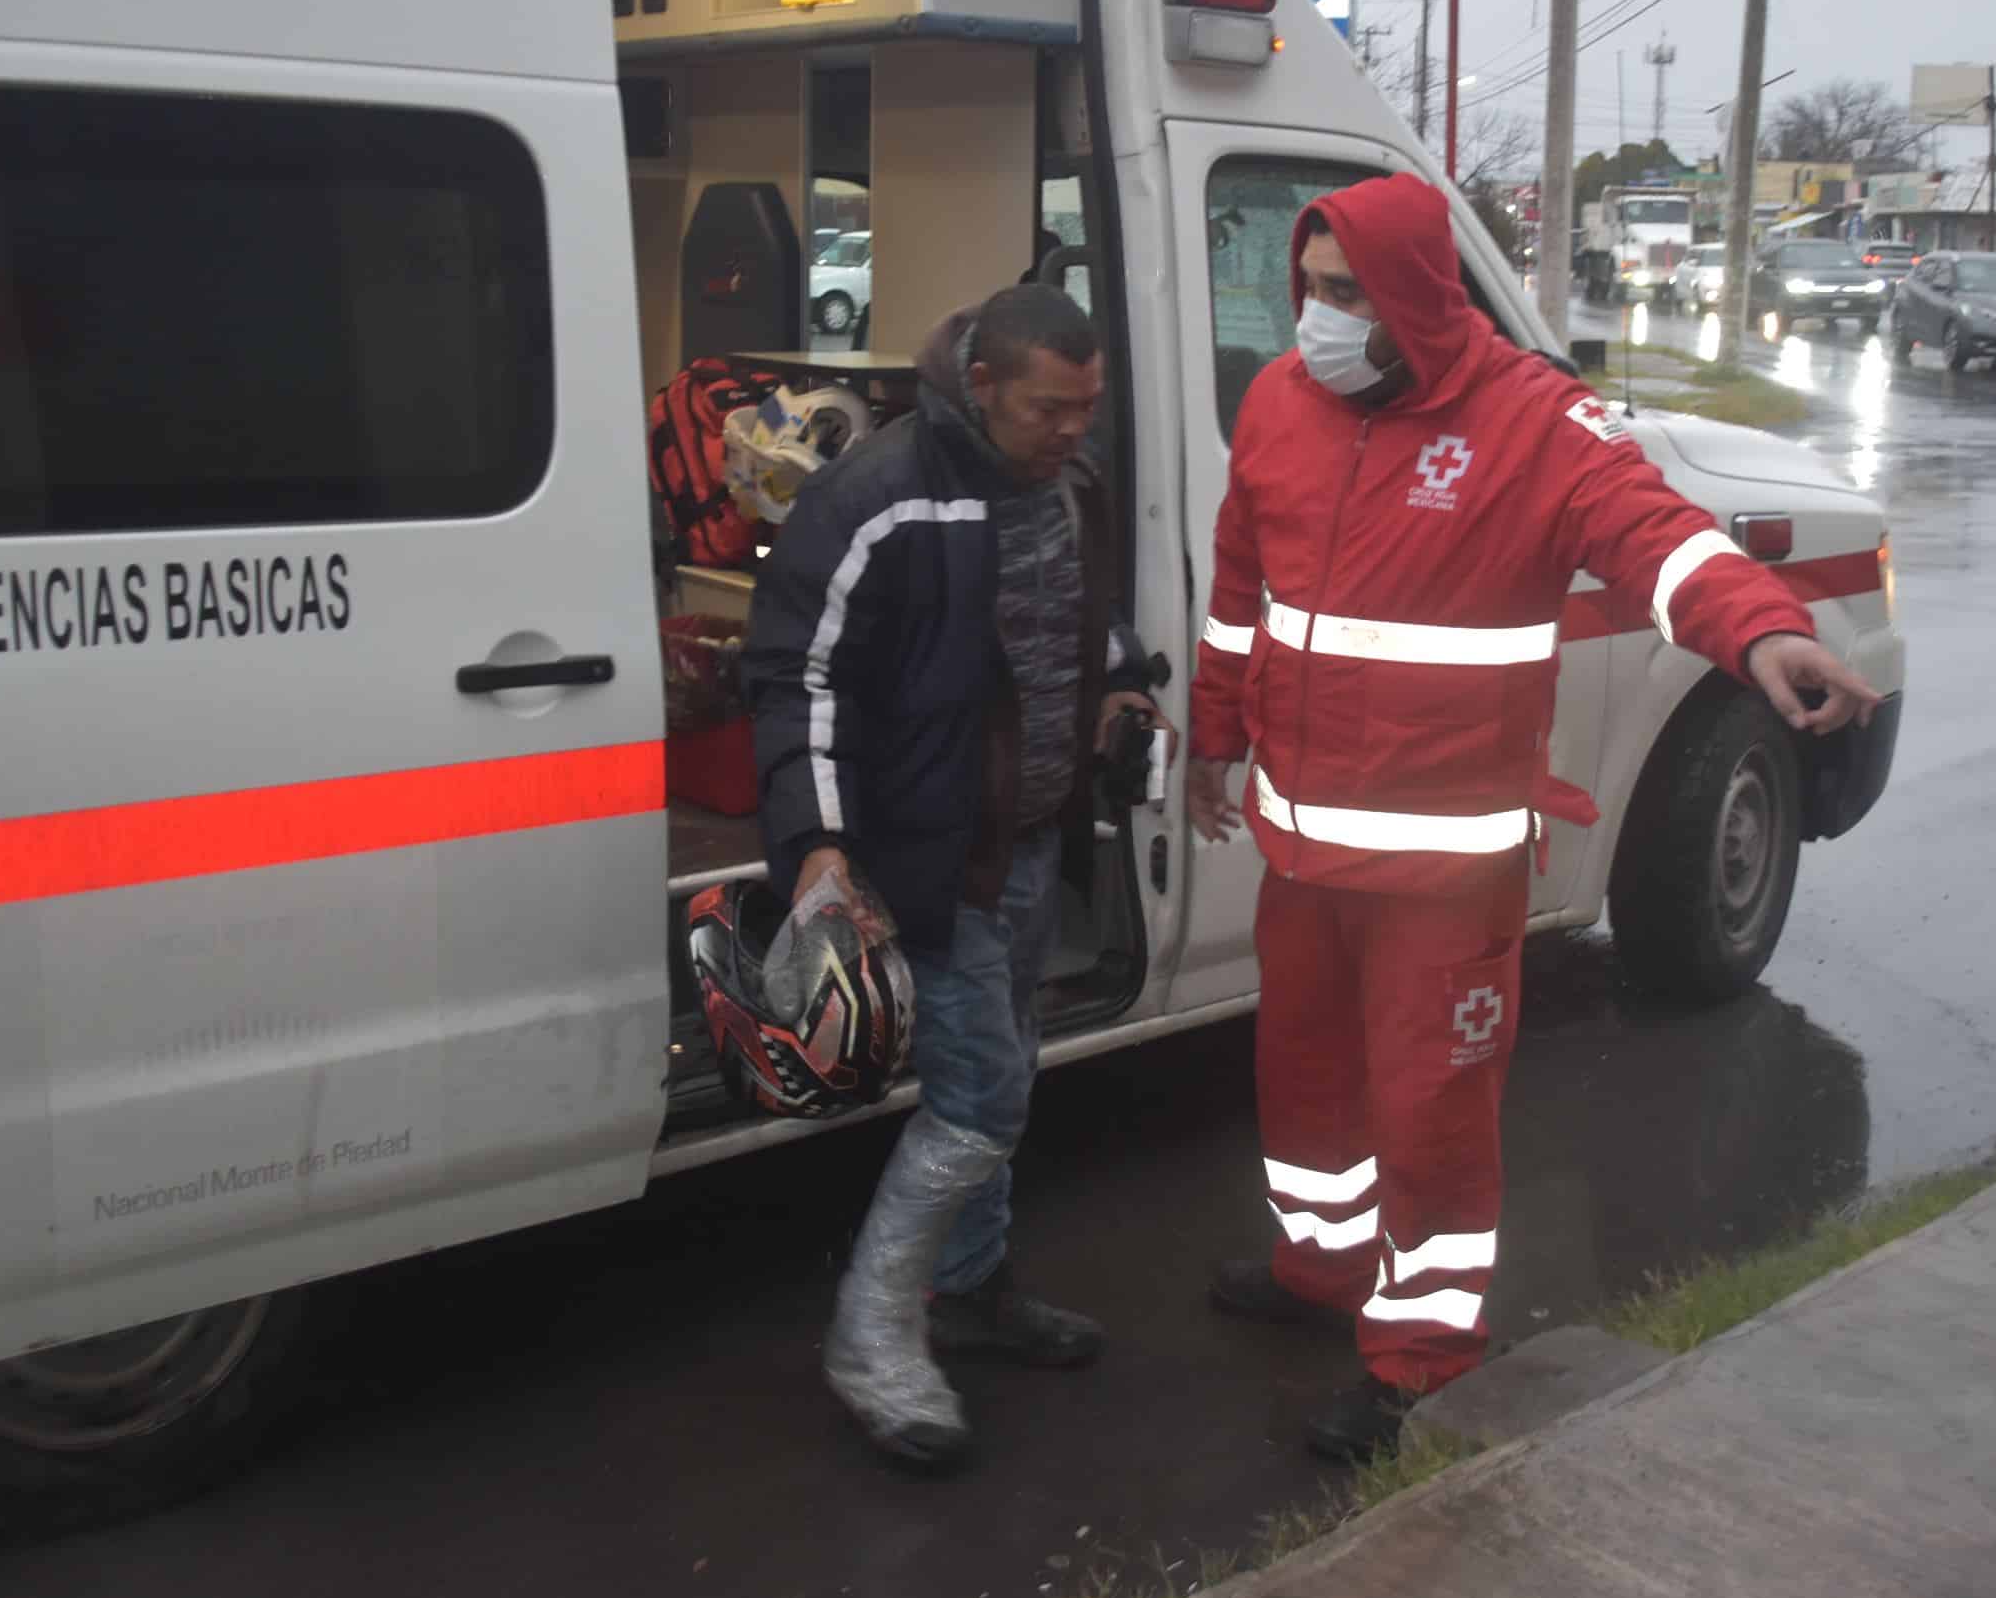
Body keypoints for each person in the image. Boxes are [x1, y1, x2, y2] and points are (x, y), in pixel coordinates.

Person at [1184, 173, 1879, 1461]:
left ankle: (1420, 1357)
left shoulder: (1532, 423)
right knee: (1306, 1080)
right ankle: (1318, 1266)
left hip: (1443, 876)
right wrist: (1213, 733)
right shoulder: (1282, 402)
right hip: (1304, 848)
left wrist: (1765, 630)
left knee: (1432, 1117)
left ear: (1410, 296)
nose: (1316, 319)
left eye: (1344, 293)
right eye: (1308, 288)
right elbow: (1242, 589)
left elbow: (1661, 537)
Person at [743, 282, 1166, 1471]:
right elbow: (795, 676)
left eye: (1088, 407)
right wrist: (822, 841)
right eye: (1050, 408)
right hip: (927, 850)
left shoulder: (1065, 485)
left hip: (1031, 836)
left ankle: (972, 1291)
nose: (1074, 429)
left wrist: (1124, 685)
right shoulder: (878, 497)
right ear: (980, 385)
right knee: (979, 1096)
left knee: (1007, 1068)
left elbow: (1085, 621)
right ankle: (872, 1336)